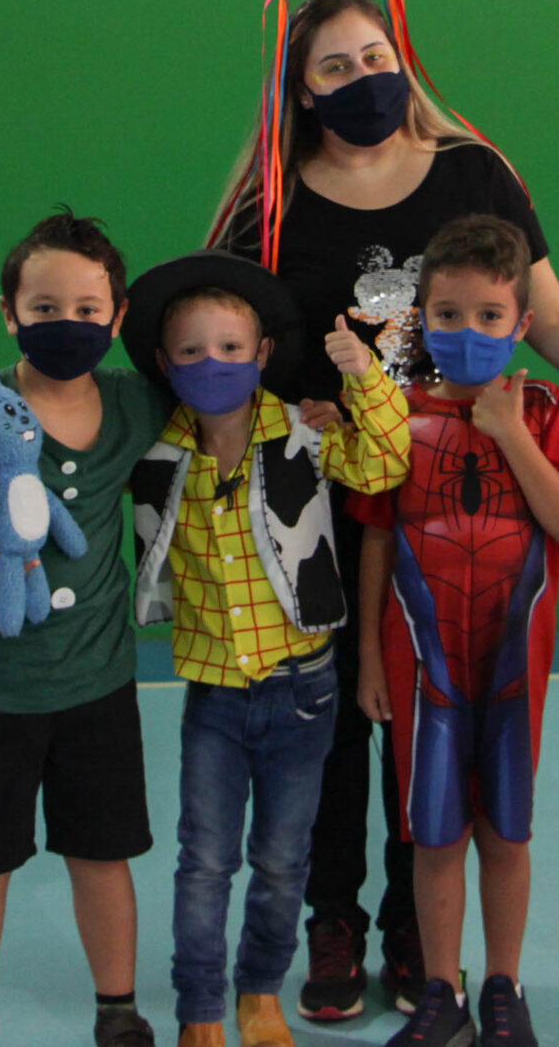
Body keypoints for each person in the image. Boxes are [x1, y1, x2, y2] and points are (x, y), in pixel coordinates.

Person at [208, 0, 559, 1019]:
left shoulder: (473, 173)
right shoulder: (269, 205)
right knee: (332, 720)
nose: (362, 77)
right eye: (333, 66)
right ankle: (333, 919)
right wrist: (286, 419)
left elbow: (553, 318)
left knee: (432, 716)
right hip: (319, 507)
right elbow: (221, 346)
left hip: (452, 502)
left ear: (402, 57)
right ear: (299, 92)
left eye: (375, 55)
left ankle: (421, 927)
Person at [120, 251, 413, 1047]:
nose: (211, 362)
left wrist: (365, 380)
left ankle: (259, 993)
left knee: (284, 860)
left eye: (229, 347)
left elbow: (385, 464)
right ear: (164, 362)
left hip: (304, 691)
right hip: (215, 698)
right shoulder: (156, 453)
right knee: (204, 861)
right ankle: (201, 1006)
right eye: (191, 350)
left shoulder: (305, 431)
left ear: (262, 354)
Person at [0, 211, 175, 1047]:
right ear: (9, 311)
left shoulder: (135, 402)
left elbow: (222, 402)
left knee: (103, 852)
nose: (68, 323)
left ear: (117, 317)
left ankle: (117, 1006)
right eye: (45, 307)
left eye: (88, 309)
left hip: (97, 682)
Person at [347, 216, 559, 1047]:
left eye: (490, 315)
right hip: (423, 663)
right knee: (434, 831)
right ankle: (440, 990)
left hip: (513, 662)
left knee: (506, 830)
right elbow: (376, 537)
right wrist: (369, 657)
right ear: (421, 318)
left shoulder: (544, 409)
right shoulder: (395, 413)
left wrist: (510, 431)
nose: (468, 330)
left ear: (521, 323)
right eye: (448, 315)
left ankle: (503, 984)